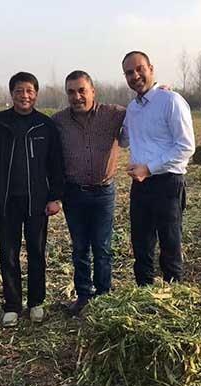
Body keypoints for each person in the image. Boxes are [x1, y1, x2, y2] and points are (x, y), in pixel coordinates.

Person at [0, 72, 64, 327]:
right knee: (8, 253)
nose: (24, 96)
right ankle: (12, 305)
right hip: (6, 200)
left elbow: (56, 164)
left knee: (36, 252)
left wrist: (55, 197)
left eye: (29, 91)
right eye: (19, 91)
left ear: (36, 94)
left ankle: (36, 302)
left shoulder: (45, 125)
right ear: (11, 93)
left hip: (37, 202)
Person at [52, 71, 126, 315]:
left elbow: (143, 110)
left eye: (82, 90)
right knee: (80, 247)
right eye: (71, 92)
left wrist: (159, 92)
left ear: (93, 91)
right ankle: (83, 295)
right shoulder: (58, 121)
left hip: (103, 192)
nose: (77, 97)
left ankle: (103, 296)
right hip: (73, 193)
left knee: (102, 247)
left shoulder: (114, 114)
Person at [121, 51, 195, 286]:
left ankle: (172, 296)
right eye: (129, 72)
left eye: (139, 69)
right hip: (140, 186)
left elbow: (186, 146)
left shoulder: (171, 101)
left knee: (170, 245)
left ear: (151, 69)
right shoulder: (132, 109)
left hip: (167, 183)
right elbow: (123, 139)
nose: (135, 76)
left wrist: (149, 168)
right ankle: (143, 294)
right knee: (141, 246)